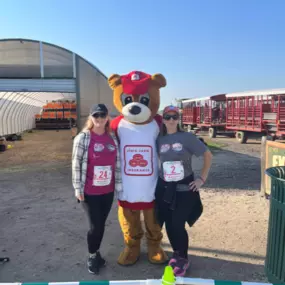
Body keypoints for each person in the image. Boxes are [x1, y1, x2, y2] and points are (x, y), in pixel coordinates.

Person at [155, 105, 212, 277]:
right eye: (168, 117)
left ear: (178, 119)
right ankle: (177, 254)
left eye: (174, 117)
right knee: (168, 223)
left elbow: (208, 155)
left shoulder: (187, 137)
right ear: (163, 119)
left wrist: (201, 179)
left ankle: (183, 258)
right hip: (165, 187)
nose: (171, 120)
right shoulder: (159, 139)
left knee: (177, 224)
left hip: (185, 188)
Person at [72, 103, 122, 275]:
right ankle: (92, 255)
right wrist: (78, 189)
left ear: (107, 117)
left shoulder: (112, 138)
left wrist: (119, 187)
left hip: (107, 191)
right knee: (96, 226)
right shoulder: (83, 138)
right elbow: (76, 165)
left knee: (101, 224)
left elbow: (118, 164)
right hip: (89, 192)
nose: (100, 119)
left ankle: (97, 253)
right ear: (91, 118)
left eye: (103, 115)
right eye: (96, 115)